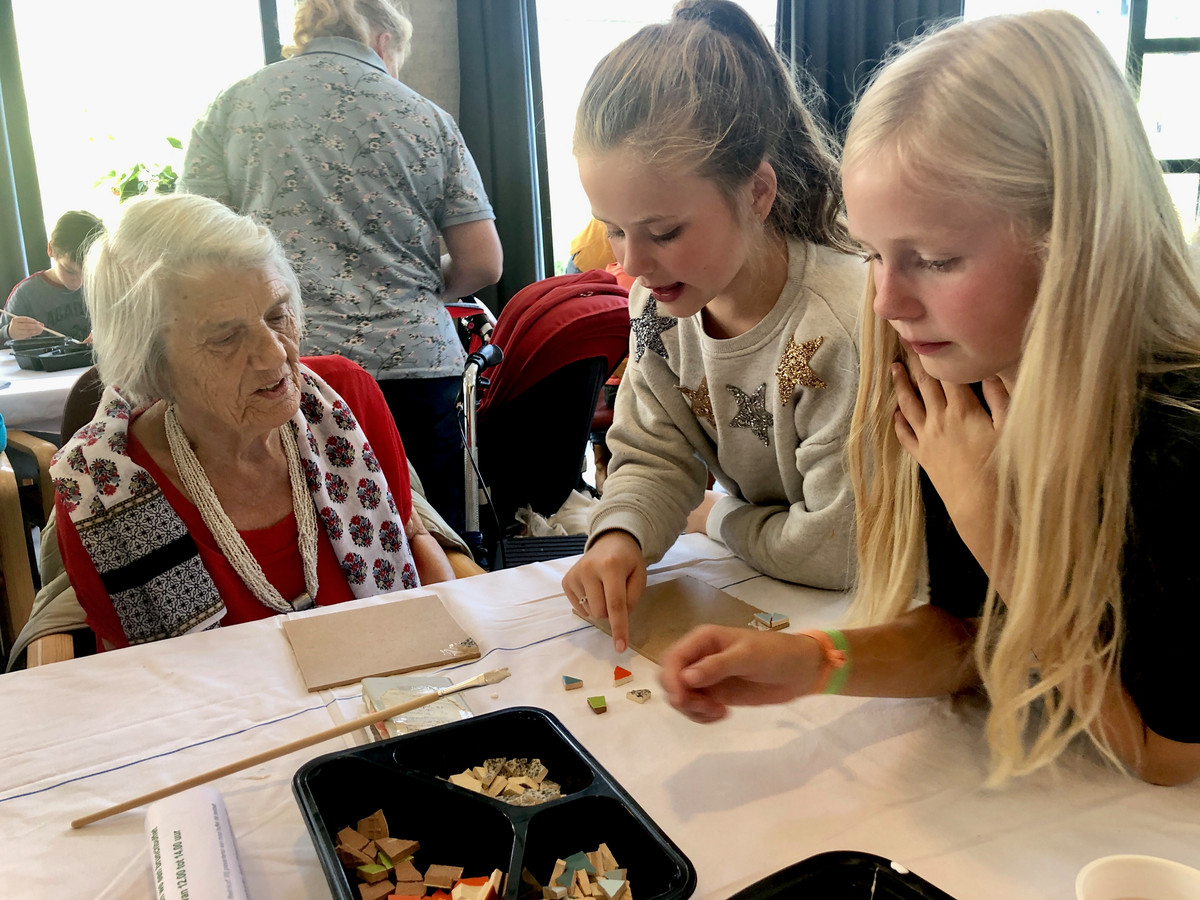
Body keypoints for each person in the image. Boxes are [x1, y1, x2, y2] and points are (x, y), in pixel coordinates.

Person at [660, 11, 1200, 786]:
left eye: (937, 260)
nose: (886, 304)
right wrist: (813, 661)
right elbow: (971, 633)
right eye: (876, 255)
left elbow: (1160, 754)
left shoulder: (1177, 444)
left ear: (1075, 240)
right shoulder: (962, 382)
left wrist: (994, 526)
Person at [562, 0, 865, 652]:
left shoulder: (838, 322)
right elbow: (652, 452)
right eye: (612, 228)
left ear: (757, 193)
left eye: (664, 231)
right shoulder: (656, 311)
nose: (631, 263)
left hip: (868, 620)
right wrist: (621, 533)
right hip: (771, 592)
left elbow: (836, 549)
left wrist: (717, 515)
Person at [51, 193, 455, 652]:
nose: (275, 354)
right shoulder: (98, 493)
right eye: (225, 337)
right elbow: (140, 678)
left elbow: (413, 537)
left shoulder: (347, 396)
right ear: (152, 365)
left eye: (277, 314)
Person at [178, 0, 502, 536]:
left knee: (313, 541)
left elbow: (195, 248)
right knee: (436, 543)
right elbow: (483, 262)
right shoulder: (426, 116)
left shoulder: (233, 106)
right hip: (415, 370)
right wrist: (418, 291)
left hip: (285, 367)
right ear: (383, 40)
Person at [1, 210, 103, 343]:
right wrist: (9, 332)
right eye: (70, 271)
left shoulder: (103, 285)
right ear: (51, 249)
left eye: (88, 272)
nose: (79, 281)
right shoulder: (26, 294)